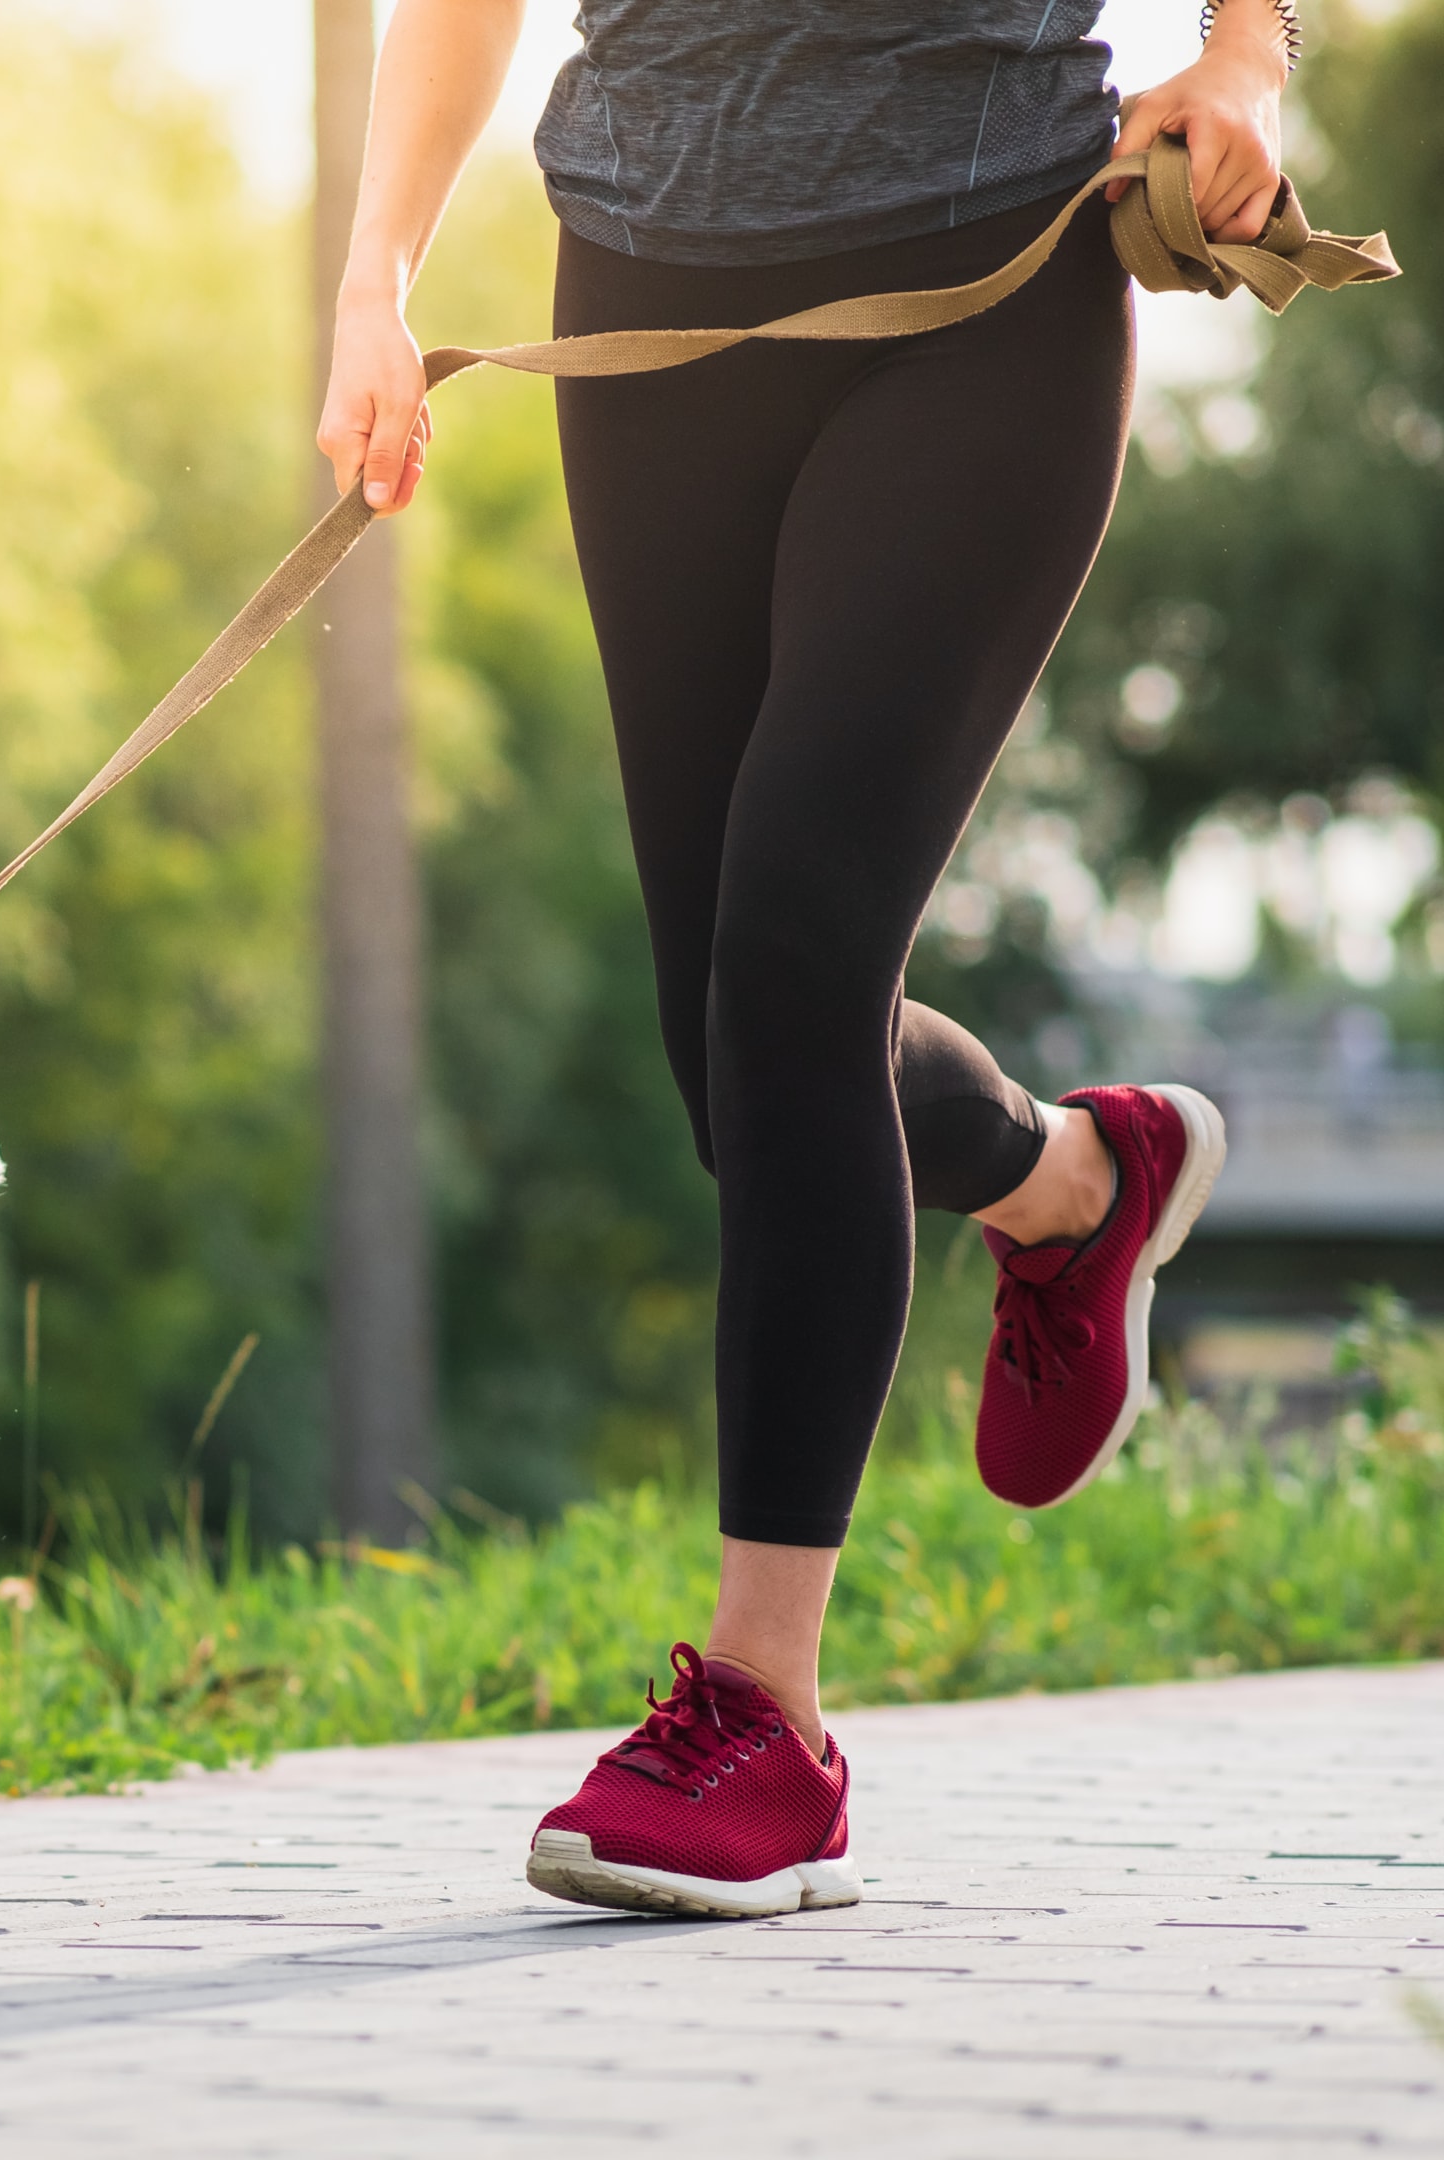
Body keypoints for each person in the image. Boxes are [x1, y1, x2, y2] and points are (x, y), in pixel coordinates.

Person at [317, 0, 1277, 1918]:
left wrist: (1245, 57)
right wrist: (376, 274)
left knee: (792, 962)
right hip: (647, 291)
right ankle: (1075, 1182)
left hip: (984, 270)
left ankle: (770, 1721)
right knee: (730, 1061)